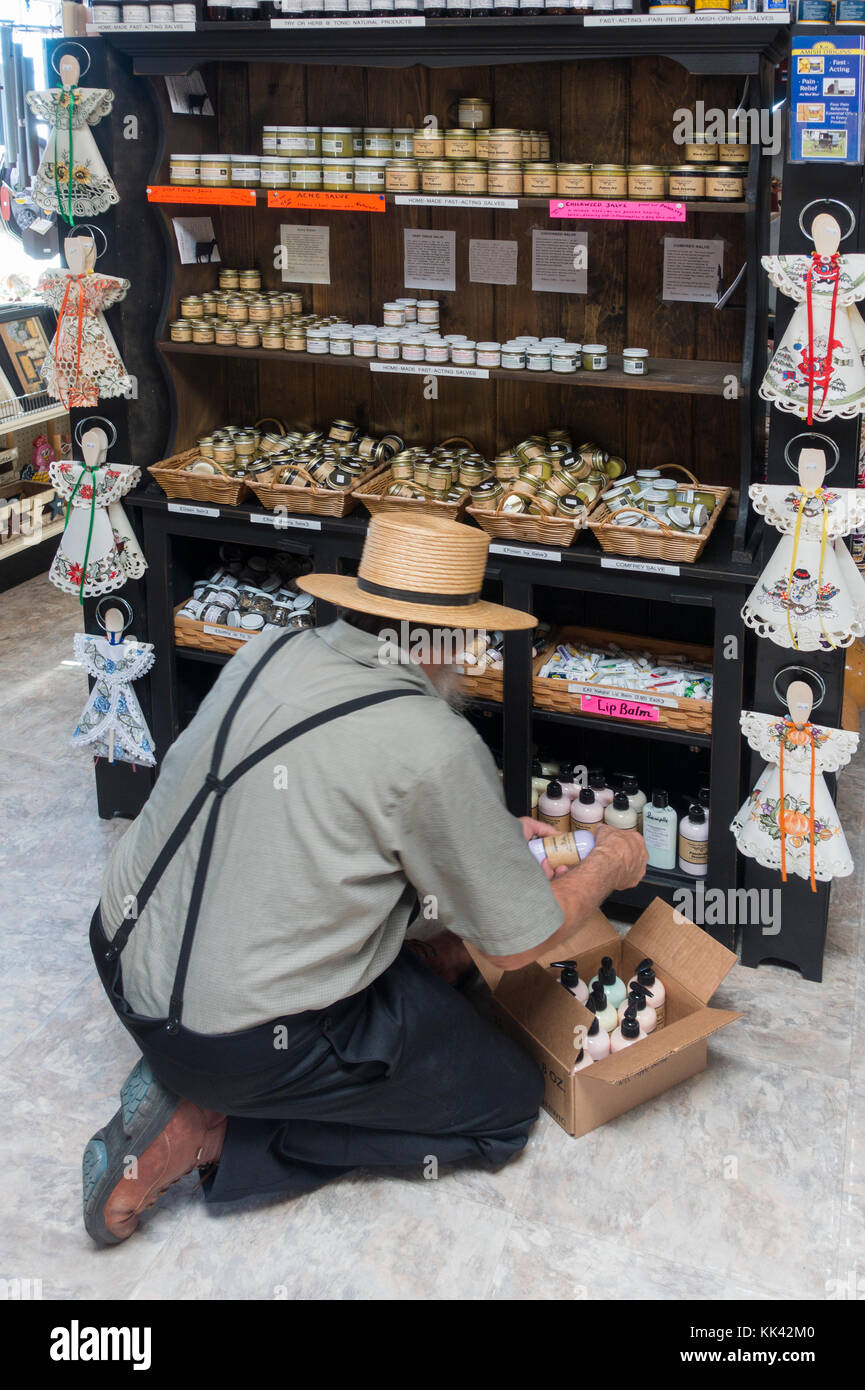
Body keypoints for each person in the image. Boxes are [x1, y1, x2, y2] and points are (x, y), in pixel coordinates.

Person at [83, 514, 647, 1245]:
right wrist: (610, 864)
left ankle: (204, 1074)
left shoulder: (272, 648)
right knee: (503, 1104)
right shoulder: (434, 741)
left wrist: (479, 832)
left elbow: (329, 796)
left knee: (436, 948)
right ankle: (208, 1129)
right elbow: (519, 944)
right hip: (228, 1040)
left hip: (119, 956)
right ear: (455, 639)